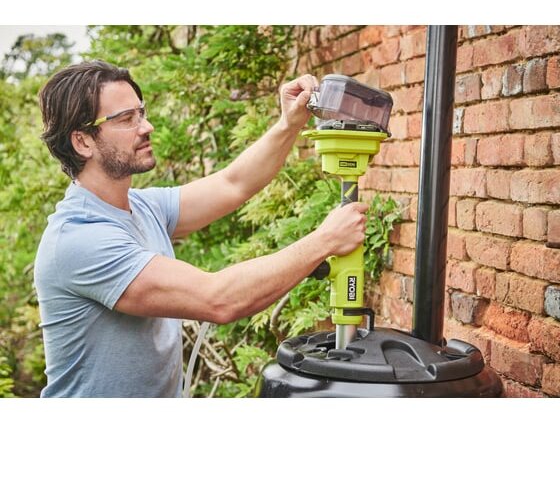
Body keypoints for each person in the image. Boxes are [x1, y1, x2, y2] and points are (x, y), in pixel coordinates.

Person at [34, 60, 368, 397]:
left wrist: (289, 123)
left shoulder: (142, 206)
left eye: (141, 113)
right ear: (83, 142)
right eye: (126, 119)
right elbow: (218, 299)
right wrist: (324, 241)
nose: (147, 126)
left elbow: (233, 184)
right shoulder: (80, 238)